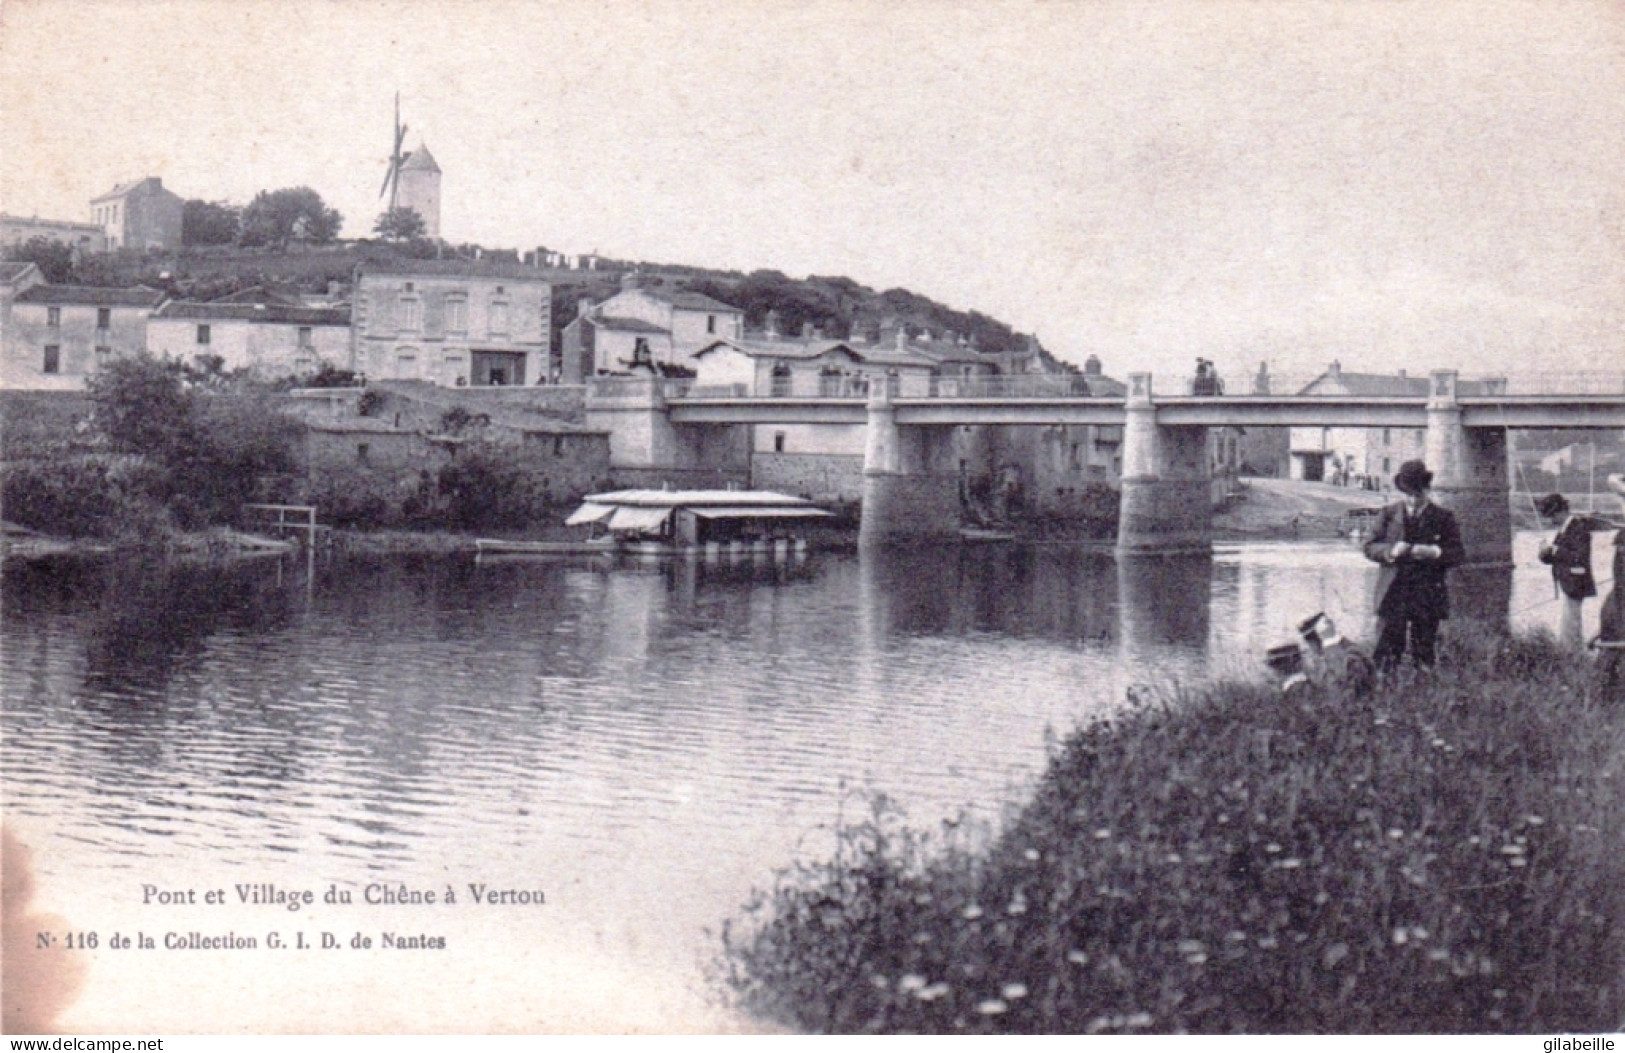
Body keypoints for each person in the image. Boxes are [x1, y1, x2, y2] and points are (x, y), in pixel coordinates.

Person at [1362, 460, 1465, 669]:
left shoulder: (1443, 517)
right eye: (1408, 494)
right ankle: (1385, 692)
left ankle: (1422, 693)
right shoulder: (1388, 514)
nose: (1412, 500)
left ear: (1427, 491)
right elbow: (1368, 545)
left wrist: (1434, 552)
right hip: (1393, 593)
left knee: (1424, 652)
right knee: (1386, 652)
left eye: (1417, 495)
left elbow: (1458, 554)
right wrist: (1390, 552)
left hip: (1427, 594)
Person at [1536, 492, 1603, 650]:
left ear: (1560, 512)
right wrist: (1544, 554)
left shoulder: (1578, 527)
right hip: (1568, 581)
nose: (1551, 521)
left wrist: (1554, 550)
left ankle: (1572, 652)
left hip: (1576, 581)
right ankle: (1572, 650)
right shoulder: (1565, 528)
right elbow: (1558, 556)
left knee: (1571, 620)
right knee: (1570, 619)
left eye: (1552, 516)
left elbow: (1578, 555)